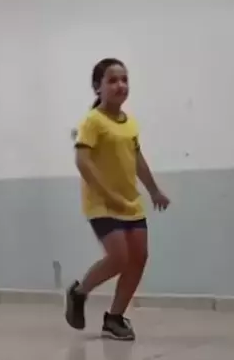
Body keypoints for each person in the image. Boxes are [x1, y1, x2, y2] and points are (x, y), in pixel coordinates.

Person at [64, 58, 170, 341]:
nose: (120, 85)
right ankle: (79, 292)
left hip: (129, 202)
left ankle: (114, 318)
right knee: (119, 258)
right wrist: (108, 194)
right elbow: (83, 161)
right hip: (102, 204)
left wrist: (154, 190)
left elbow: (137, 159)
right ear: (97, 87)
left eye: (124, 80)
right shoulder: (92, 121)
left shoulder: (130, 123)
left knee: (138, 258)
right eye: (112, 80)